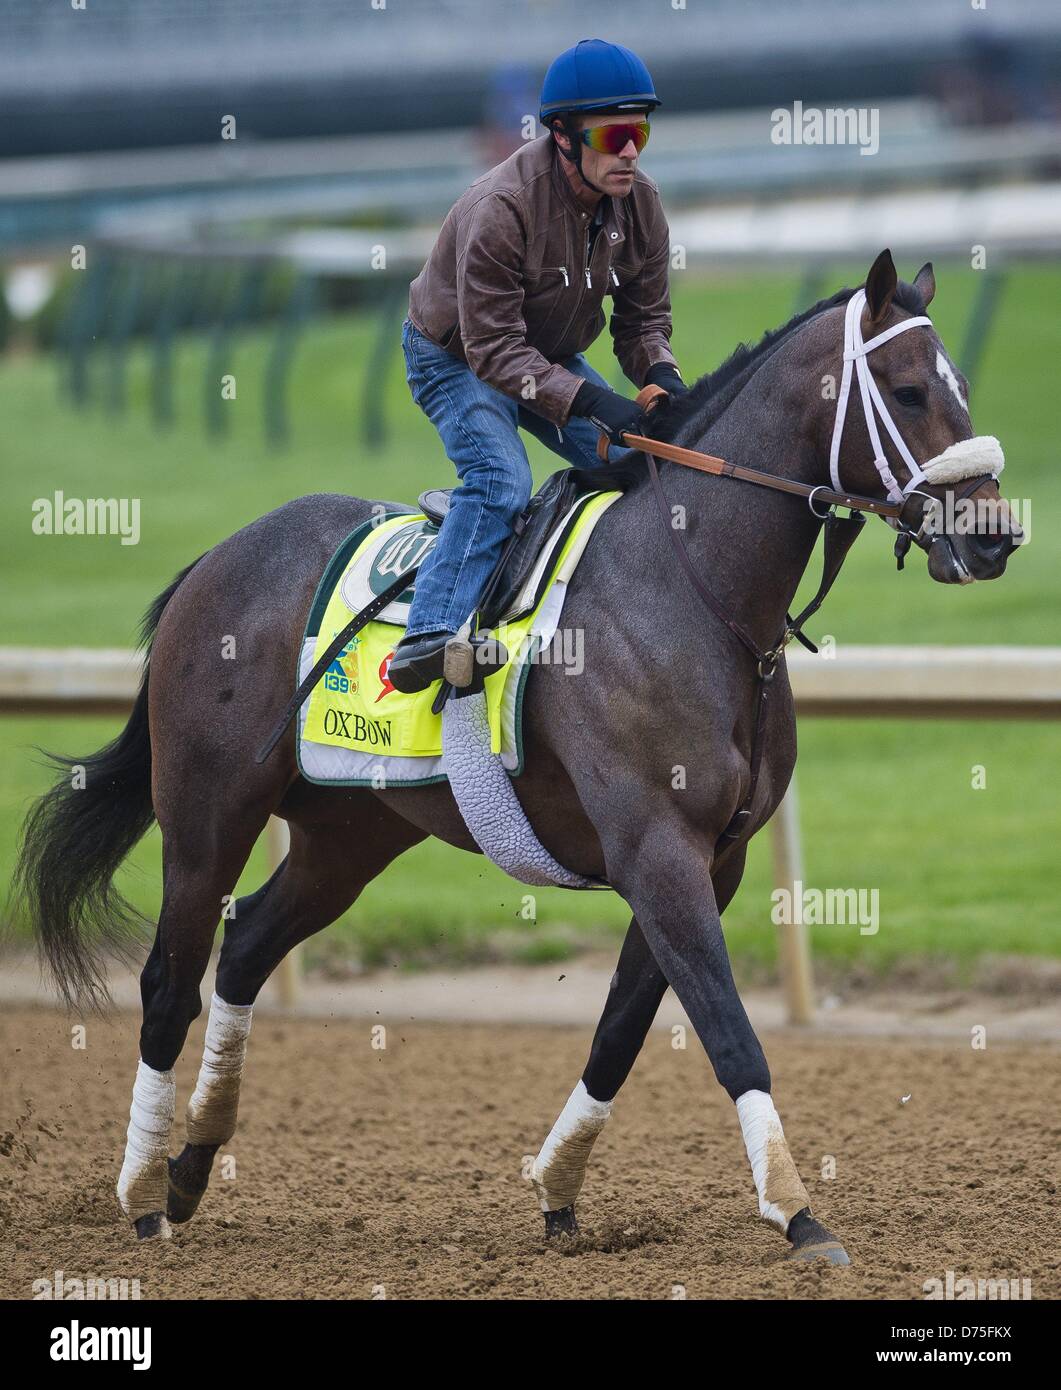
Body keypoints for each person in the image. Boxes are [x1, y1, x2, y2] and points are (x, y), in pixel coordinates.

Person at [389, 37, 688, 693]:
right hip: (454, 355)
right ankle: (426, 636)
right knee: (500, 478)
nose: (630, 150)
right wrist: (587, 400)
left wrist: (659, 377)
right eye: (613, 133)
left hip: (545, 351)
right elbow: (492, 351)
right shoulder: (499, 208)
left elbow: (642, 322)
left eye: (639, 130)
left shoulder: (642, 203)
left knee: (638, 460)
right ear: (561, 135)